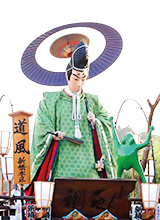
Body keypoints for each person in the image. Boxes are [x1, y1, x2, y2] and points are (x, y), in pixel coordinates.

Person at [28, 41, 116, 186]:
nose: (79, 84)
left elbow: (107, 124)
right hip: (61, 171)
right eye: (76, 78)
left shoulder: (93, 102)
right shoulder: (50, 102)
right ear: (67, 75)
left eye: (83, 79)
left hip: (90, 171)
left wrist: (96, 122)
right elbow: (42, 130)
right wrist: (52, 136)